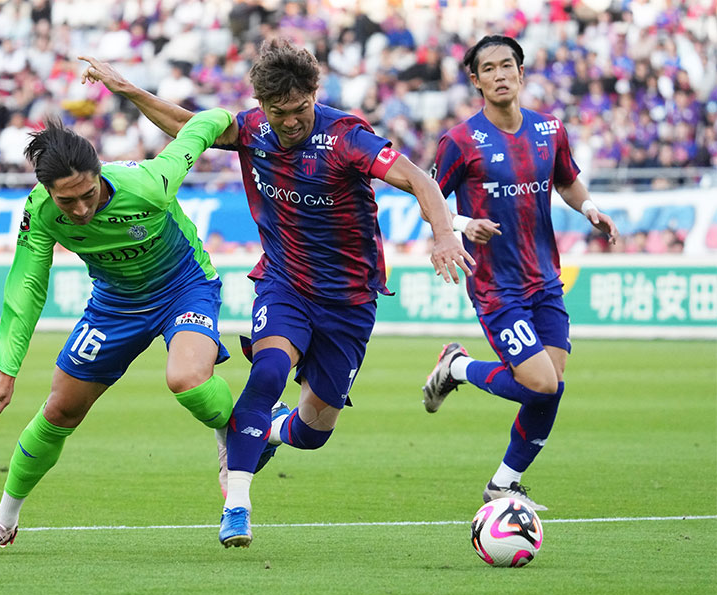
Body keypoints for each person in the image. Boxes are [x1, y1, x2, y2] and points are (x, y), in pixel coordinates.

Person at [78, 38, 475, 548]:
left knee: (313, 432)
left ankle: (269, 429)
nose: (291, 122)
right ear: (262, 105)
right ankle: (237, 505)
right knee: (267, 371)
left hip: (351, 298)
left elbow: (418, 178)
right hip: (284, 280)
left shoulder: (348, 137)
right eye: (279, 112)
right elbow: (186, 124)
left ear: (316, 93)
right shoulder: (250, 128)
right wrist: (128, 89)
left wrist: (445, 234)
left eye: (301, 109)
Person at [0, 107, 237, 556]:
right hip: (115, 305)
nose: (81, 208)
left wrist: (226, 117)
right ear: (48, 192)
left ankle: (231, 437)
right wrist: (6, 369)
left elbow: (199, 131)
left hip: (184, 288)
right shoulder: (41, 212)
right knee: (60, 410)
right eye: (68, 201)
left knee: (186, 380)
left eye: (87, 193)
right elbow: (27, 284)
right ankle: (3, 520)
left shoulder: (148, 182)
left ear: (98, 172)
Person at [422, 35, 619, 510]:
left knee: (553, 383)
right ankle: (457, 368)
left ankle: (503, 483)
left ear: (522, 72)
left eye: (507, 65)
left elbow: (568, 182)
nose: (499, 74)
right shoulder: (460, 141)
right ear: (476, 81)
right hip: (496, 285)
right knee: (542, 383)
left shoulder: (550, 130)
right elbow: (428, 201)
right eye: (488, 69)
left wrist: (589, 208)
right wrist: (466, 224)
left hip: (545, 278)